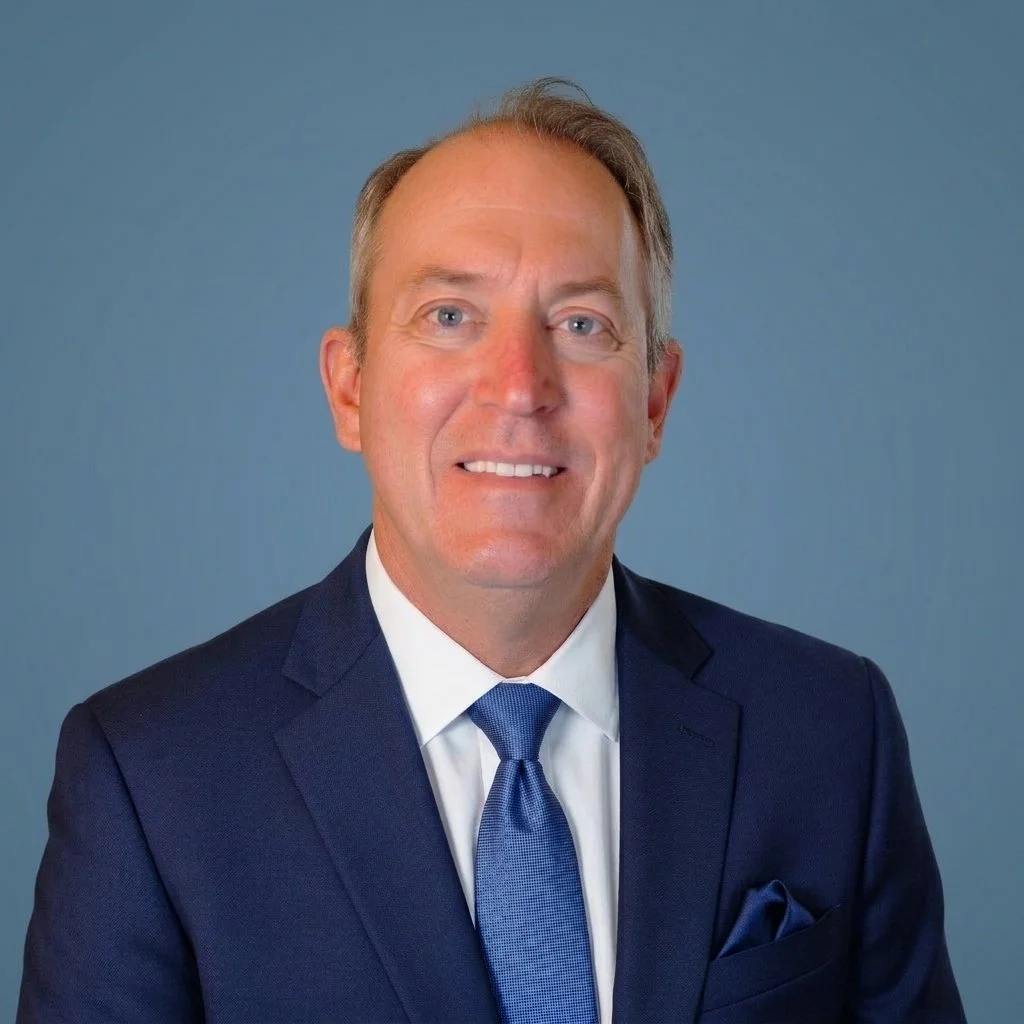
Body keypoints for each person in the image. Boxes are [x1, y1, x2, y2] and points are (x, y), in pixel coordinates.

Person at [18, 78, 965, 1024]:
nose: (519, 386)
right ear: (349, 390)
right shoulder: (149, 775)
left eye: (582, 325)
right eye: (449, 316)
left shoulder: (831, 731)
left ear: (654, 402)